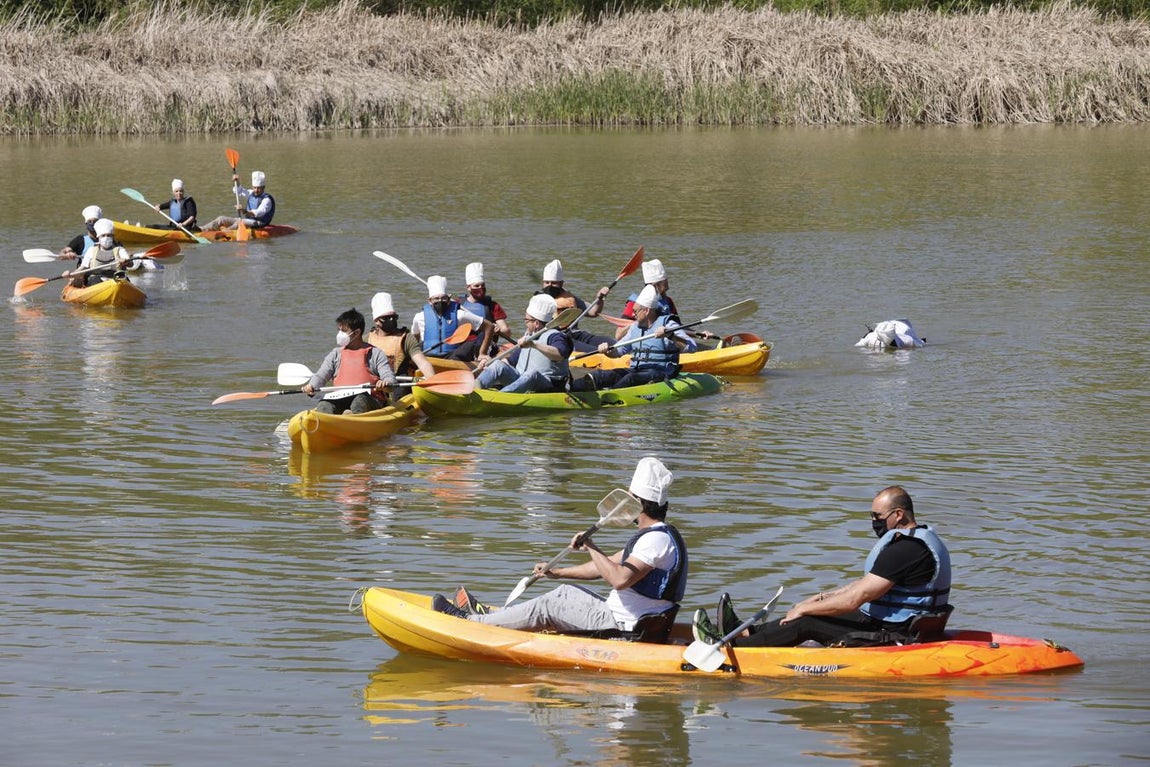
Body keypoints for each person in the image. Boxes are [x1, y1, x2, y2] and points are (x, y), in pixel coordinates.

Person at [432, 456, 688, 635]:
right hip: (623, 618)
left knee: (552, 603)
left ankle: (473, 622)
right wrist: (556, 573)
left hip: (623, 626)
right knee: (563, 590)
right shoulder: (657, 536)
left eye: (631, 498)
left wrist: (591, 545)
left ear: (640, 503)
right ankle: (493, 618)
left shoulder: (656, 540)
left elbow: (619, 579)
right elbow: (602, 568)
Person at [693, 486, 952, 648]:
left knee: (805, 622)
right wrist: (820, 598)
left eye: (878, 517)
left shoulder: (906, 550)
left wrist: (805, 609)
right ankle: (749, 631)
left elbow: (855, 599)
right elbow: (861, 588)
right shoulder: (917, 540)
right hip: (890, 620)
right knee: (808, 611)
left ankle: (734, 647)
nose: (874, 522)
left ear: (898, 515)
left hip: (896, 632)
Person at [578, 284, 697, 390]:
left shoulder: (668, 324)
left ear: (646, 311)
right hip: (636, 370)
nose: (633, 315)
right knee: (601, 375)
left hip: (660, 372)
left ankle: (608, 397)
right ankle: (570, 389)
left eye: (635, 312)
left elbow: (692, 347)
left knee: (630, 378)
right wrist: (607, 351)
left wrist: (671, 336)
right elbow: (618, 352)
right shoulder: (634, 328)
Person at [301, 308, 399, 414]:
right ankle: (332, 421)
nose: (339, 334)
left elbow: (389, 378)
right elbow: (321, 375)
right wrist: (311, 386)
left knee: (359, 402)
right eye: (339, 330)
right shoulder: (335, 354)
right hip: (340, 399)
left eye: (343, 331)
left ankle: (353, 421)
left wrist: (386, 383)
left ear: (357, 332)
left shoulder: (376, 353)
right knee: (324, 405)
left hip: (369, 400)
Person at [473, 294, 572, 394]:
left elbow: (560, 354)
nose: (525, 323)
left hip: (548, 386)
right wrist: (489, 367)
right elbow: (510, 361)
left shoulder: (556, 336)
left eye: (526, 320)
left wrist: (534, 344)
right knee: (498, 364)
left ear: (536, 323)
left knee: (531, 374)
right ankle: (474, 389)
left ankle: (502, 396)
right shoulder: (529, 336)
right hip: (522, 381)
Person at [411, 275, 495, 363]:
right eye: (436, 299)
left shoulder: (460, 315)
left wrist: (483, 352)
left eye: (444, 298)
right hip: (428, 356)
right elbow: (414, 338)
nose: (440, 301)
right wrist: (414, 355)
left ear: (448, 299)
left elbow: (489, 326)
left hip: (452, 356)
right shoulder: (419, 317)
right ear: (430, 301)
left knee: (472, 343)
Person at [538, 259, 613, 353]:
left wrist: (600, 299)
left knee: (611, 343)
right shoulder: (538, 301)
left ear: (561, 283)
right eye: (547, 282)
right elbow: (532, 325)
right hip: (558, 339)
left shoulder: (569, 298)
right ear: (543, 282)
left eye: (554, 283)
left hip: (575, 334)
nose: (550, 286)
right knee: (597, 351)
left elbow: (594, 312)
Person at [365, 291, 436, 380]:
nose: (391, 320)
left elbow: (422, 362)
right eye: (386, 318)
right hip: (375, 383)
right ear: (376, 321)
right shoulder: (367, 339)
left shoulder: (406, 338)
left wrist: (432, 380)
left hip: (399, 382)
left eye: (394, 317)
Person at [458, 262, 511, 354]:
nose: (481, 288)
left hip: (486, 346)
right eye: (477, 286)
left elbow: (506, 331)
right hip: (462, 344)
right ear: (468, 288)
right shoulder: (458, 304)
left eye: (482, 285)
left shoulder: (492, 306)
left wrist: (499, 330)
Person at [63, 218, 132, 287]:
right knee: (93, 280)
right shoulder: (91, 250)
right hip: (97, 282)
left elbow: (130, 263)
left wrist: (126, 261)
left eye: (108, 235)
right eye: (103, 236)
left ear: (112, 237)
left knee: (123, 278)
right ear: (98, 237)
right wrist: (70, 274)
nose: (106, 238)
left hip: (117, 280)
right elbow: (82, 269)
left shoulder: (120, 250)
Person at [201, 170, 275, 231]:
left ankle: (225, 233)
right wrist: (237, 182)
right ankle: (202, 229)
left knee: (241, 222)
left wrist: (244, 211)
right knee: (221, 219)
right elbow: (239, 191)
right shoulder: (250, 193)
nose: (256, 190)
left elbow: (259, 213)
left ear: (263, 187)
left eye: (259, 188)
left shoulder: (267, 200)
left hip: (260, 223)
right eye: (254, 187)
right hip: (248, 221)